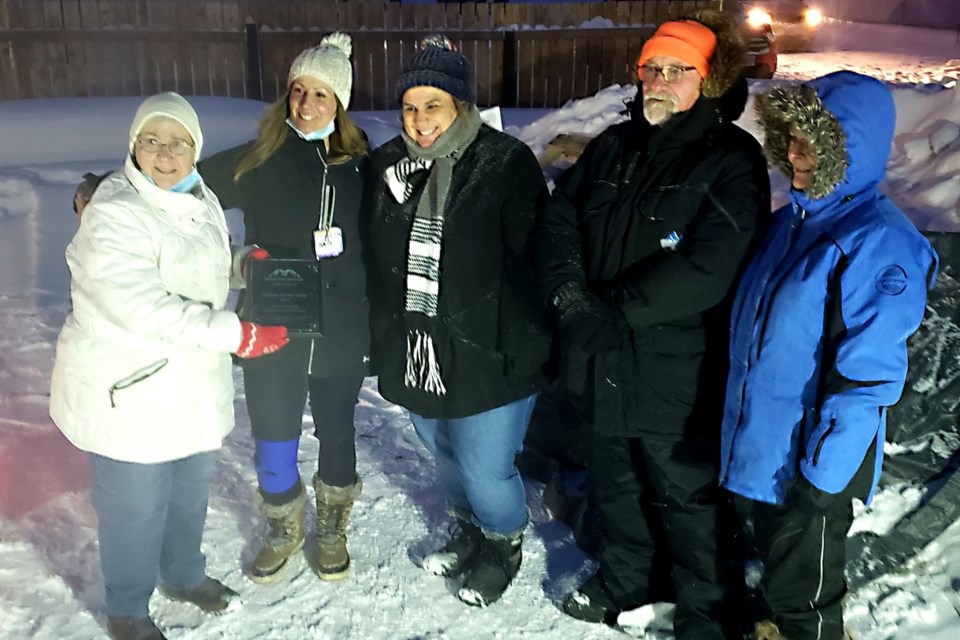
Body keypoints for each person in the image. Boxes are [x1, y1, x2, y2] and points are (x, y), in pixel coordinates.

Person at [534, 10, 771, 638]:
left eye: (676, 70)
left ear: (709, 81)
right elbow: (562, 216)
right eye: (651, 69)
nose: (659, 81)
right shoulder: (615, 143)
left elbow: (709, 264)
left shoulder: (729, 158)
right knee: (616, 482)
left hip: (677, 367)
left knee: (688, 497)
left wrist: (609, 308)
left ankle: (707, 615)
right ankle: (628, 585)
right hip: (603, 356)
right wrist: (567, 292)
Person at [49, 92, 289, 640]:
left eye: (178, 142)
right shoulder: (114, 212)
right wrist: (236, 333)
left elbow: (192, 271)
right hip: (128, 391)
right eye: (152, 140)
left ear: (195, 150)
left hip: (190, 387)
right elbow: (140, 304)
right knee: (134, 510)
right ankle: (128, 610)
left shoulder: (197, 196)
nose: (165, 152)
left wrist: (240, 267)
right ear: (134, 147)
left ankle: (183, 576)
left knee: (187, 496)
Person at [721, 70, 938, 640]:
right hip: (766, 447)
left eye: (815, 141)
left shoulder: (877, 242)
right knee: (773, 579)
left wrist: (821, 481)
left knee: (806, 602)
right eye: (791, 135)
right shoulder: (789, 224)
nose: (796, 152)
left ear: (853, 148)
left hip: (814, 465)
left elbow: (868, 378)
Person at [362, 35, 552, 607]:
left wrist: (525, 345)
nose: (420, 121)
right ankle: (468, 527)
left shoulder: (503, 163)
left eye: (434, 106)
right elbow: (373, 258)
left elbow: (535, 262)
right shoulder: (387, 166)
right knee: (440, 447)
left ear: (461, 106)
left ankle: (502, 545)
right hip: (418, 344)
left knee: (484, 463)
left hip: (490, 346)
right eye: (410, 107)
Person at [198, 32, 370, 583]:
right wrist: (236, 259)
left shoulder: (364, 167)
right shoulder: (258, 159)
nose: (305, 104)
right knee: (274, 437)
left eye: (320, 94)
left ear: (339, 103)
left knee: (337, 436)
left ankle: (333, 527)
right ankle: (284, 527)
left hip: (342, 332)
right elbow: (177, 192)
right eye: (298, 90)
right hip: (272, 325)